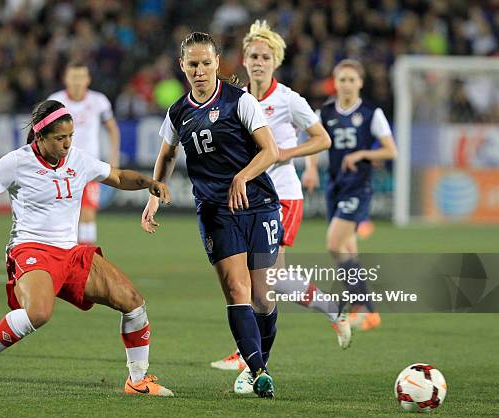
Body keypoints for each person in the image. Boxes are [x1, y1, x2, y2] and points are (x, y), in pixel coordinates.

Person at [0, 100, 174, 397]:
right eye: (60, 138)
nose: (67, 144)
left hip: (70, 254)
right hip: (31, 248)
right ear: (40, 137)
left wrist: (147, 182)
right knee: (38, 312)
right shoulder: (17, 161)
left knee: (133, 302)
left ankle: (137, 380)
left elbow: (116, 176)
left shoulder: (78, 159)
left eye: (71, 136)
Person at [210, 20, 351, 393]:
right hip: (248, 197)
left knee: (266, 281)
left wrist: (286, 153)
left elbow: (322, 139)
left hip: (282, 196)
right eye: (253, 56)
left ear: (276, 61)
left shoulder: (288, 99)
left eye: (265, 57)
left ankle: (252, 360)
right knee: (265, 281)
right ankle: (325, 313)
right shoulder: (237, 97)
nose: (258, 62)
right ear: (243, 60)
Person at [141, 31, 281, 398]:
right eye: (193, 64)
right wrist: (154, 195)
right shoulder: (178, 111)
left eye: (206, 63)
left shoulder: (240, 101)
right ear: (182, 67)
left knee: (264, 298)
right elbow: (168, 154)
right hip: (216, 210)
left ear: (218, 62)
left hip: (259, 204)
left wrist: (242, 176)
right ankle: (258, 370)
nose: (200, 71)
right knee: (238, 289)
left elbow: (271, 151)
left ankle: (258, 361)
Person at [302, 59, 398, 330]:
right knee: (348, 247)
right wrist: (310, 169)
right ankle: (368, 311)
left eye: (351, 80)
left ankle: (362, 304)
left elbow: (391, 151)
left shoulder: (371, 113)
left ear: (360, 83)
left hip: (358, 185)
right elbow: (314, 144)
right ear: (336, 82)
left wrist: (364, 153)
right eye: (341, 79)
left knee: (334, 244)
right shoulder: (326, 112)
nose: (346, 84)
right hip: (334, 185)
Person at [48, 61, 120, 245]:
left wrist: (114, 158)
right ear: (65, 79)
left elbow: (112, 129)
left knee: (88, 214)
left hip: (88, 168)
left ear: (88, 79)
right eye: (74, 77)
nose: (77, 81)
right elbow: (40, 132)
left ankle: (87, 260)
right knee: (62, 217)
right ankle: (63, 256)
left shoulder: (99, 101)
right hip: (60, 168)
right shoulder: (55, 102)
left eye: (81, 77)